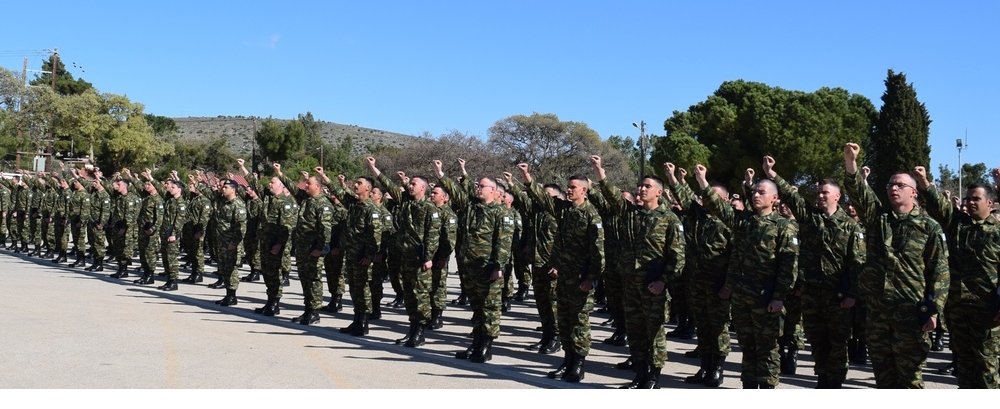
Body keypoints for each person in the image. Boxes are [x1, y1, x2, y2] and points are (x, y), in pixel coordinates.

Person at [843, 142, 949, 388]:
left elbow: (939, 271)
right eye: (890, 184)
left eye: (900, 184)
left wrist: (934, 309)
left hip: (911, 313)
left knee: (910, 379)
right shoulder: (878, 219)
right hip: (879, 312)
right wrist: (851, 163)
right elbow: (859, 192)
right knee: (884, 378)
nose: (893, 188)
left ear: (914, 192)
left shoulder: (929, 226)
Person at [763, 156, 865, 388]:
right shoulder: (810, 218)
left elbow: (856, 262)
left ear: (837, 196)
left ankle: (835, 382)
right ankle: (822, 377)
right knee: (817, 340)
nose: (820, 196)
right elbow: (791, 195)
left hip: (837, 295)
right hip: (812, 294)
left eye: (825, 193)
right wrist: (772, 174)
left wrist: (852, 294)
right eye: (818, 193)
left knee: (837, 343)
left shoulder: (850, 226)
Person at [591, 155, 685, 389]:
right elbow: (612, 195)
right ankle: (640, 373)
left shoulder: (669, 219)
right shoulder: (630, 214)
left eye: (647, 186)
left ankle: (653, 377)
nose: (641, 189)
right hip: (631, 284)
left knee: (654, 333)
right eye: (640, 186)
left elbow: (678, 257)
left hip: (653, 286)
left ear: (659, 193)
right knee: (635, 331)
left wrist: (663, 281)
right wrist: (600, 171)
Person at [914, 165, 1000, 388]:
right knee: (964, 365)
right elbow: (937, 205)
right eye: (968, 198)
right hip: (958, 309)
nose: (970, 202)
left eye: (976, 199)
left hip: (988, 312)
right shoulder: (958, 225)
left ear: (989, 203)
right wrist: (924, 182)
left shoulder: (997, 231)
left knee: (987, 367)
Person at [517, 163, 604, 383]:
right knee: (564, 321)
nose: (570, 190)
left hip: (580, 279)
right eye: (568, 186)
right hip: (564, 276)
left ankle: (579, 365)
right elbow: (543, 198)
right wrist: (527, 176)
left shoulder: (591, 215)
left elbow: (598, 252)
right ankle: (567, 360)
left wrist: (591, 278)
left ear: (584, 190)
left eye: (574, 187)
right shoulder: (564, 209)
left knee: (579, 323)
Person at [713, 166, 798, 389]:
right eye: (754, 192)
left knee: (768, 348)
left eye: (761, 192)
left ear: (775, 198)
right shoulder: (744, 222)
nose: (756, 195)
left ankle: (768, 389)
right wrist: (730, 286)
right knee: (747, 346)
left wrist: (779, 297)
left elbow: (788, 266)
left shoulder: (784, 226)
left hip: (767, 297)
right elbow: (735, 258)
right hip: (743, 297)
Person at [665, 162, 733, 388]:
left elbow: (736, 258)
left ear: (723, 200)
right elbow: (683, 197)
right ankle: (704, 367)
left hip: (718, 284)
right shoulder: (698, 216)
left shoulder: (729, 220)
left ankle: (717, 369)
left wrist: (729, 285)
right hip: (697, 282)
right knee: (703, 327)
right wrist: (673, 178)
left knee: (718, 329)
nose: (706, 199)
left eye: (712, 196)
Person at [440, 158, 513, 363]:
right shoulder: (472, 207)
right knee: (477, 307)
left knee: (490, 308)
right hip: (471, 267)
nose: (478, 188)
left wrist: (498, 266)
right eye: (477, 186)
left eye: (482, 186)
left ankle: (486, 347)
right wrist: (441, 174)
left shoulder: (501, 213)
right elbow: (455, 192)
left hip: (488, 268)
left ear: (493, 190)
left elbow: (504, 242)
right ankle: (476, 343)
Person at [371, 157, 440, 347]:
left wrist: (428, 257)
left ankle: (420, 332)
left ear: (423, 188)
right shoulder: (407, 203)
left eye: (414, 184)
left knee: (421, 296)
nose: (410, 186)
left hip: (420, 259)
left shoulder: (430, 208)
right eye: (410, 184)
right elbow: (388, 185)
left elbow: (432, 235)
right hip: (405, 257)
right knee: (409, 294)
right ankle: (412, 330)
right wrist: (374, 169)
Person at [317, 167, 383, 337]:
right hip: (352, 256)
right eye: (355, 183)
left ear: (368, 188)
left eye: (359, 183)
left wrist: (369, 256)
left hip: (362, 257)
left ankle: (363, 322)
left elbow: (375, 236)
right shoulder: (354, 205)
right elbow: (337, 192)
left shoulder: (371, 209)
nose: (355, 185)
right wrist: (324, 176)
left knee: (363, 289)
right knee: (354, 289)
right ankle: (356, 320)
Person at [276, 163, 334, 325]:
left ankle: (314, 312)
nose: (306, 185)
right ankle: (308, 309)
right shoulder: (306, 199)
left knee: (314, 280)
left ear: (318, 186)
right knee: (304, 279)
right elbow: (292, 187)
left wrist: (320, 249)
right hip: (303, 249)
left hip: (314, 250)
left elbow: (325, 229)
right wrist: (280, 173)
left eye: (309, 183)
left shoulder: (323, 204)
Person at [245, 163, 298, 316]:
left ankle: (275, 302)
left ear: (281, 186)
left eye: (272, 182)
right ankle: (270, 301)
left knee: (275, 273)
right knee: (267, 272)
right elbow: (254, 184)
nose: (269, 184)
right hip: (265, 241)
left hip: (276, 244)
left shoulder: (286, 203)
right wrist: (243, 169)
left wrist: (279, 244)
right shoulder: (268, 198)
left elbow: (286, 227)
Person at [211, 179, 247, 306]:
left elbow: (241, 227)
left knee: (232, 269)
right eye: (223, 187)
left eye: (226, 187)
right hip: (222, 241)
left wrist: (234, 242)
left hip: (232, 243)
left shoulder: (238, 204)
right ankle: (227, 294)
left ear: (233, 189)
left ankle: (232, 296)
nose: (223, 189)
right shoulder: (222, 202)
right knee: (225, 268)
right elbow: (213, 194)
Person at [428, 181, 458, 329]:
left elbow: (450, 240)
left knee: (438, 285)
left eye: (435, 193)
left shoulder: (449, 214)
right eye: (431, 193)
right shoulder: (430, 211)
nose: (431, 195)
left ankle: (437, 316)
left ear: (445, 198)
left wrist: (443, 257)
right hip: (427, 256)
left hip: (439, 257)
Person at [156, 178, 188, 291]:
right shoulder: (170, 201)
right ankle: (168, 280)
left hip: (172, 234)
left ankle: (173, 282)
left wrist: (174, 234)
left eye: (173, 187)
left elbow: (179, 221)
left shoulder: (181, 203)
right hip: (165, 233)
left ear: (179, 189)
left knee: (172, 259)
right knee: (165, 257)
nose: (171, 189)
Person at [132, 171, 163, 285]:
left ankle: (150, 275)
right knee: (143, 252)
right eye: (145, 184)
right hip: (142, 229)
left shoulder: (157, 200)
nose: (146, 186)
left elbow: (159, 217)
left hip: (150, 231)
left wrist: (153, 229)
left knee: (149, 253)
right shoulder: (146, 198)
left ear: (155, 186)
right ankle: (145, 274)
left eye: (149, 184)